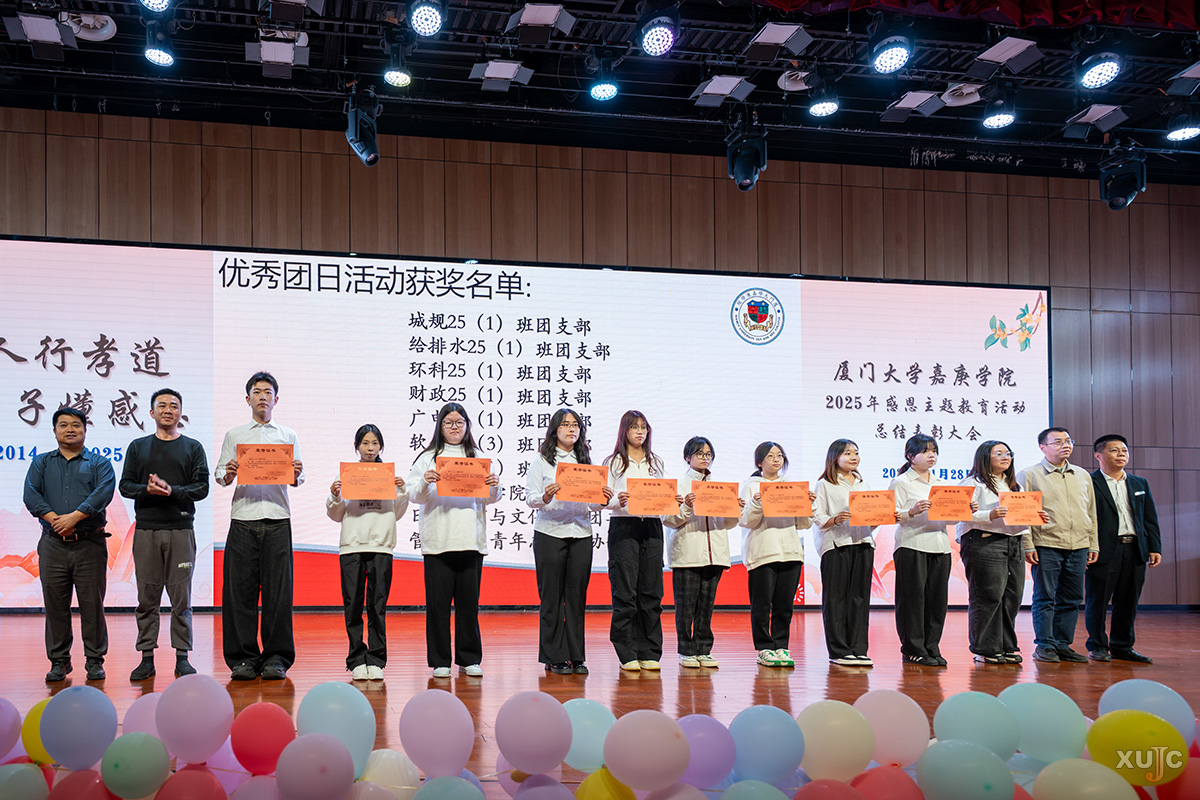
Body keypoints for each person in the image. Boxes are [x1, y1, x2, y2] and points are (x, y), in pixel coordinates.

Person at [215, 372, 304, 680]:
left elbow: (298, 478)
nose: (263, 396)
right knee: (240, 593)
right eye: (257, 391)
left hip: (277, 519)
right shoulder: (235, 435)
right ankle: (242, 659)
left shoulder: (287, 435)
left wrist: (295, 472)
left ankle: (276, 658)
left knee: (279, 594)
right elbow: (221, 475)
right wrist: (229, 472)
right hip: (243, 519)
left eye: (268, 392)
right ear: (248, 399)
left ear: (276, 399)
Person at [119, 388, 210, 681]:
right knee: (147, 598)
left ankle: (182, 657)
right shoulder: (138, 447)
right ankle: (146, 658)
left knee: (181, 598)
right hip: (146, 530)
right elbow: (125, 486)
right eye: (162, 405)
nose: (168, 410)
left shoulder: (193, 447)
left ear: (181, 413)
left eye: (174, 406)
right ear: (151, 412)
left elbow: (202, 487)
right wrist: (147, 490)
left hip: (181, 530)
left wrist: (174, 491)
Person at [408, 404, 501, 679]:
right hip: (438, 541)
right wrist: (425, 481)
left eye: (459, 422)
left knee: (468, 606)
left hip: (470, 539)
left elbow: (490, 498)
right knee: (437, 606)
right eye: (448, 423)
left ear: (467, 425)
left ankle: (469, 658)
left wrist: (494, 484)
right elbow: (413, 495)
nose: (454, 427)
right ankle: (440, 661)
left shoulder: (477, 457)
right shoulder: (428, 458)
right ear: (440, 426)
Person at [23, 407, 116, 682]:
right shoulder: (41, 463)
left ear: (85, 430)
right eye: (63, 425)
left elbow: (103, 493)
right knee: (55, 605)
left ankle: (94, 660)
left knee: (92, 605)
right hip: (53, 544)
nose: (70, 429)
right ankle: (59, 661)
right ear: (54, 431)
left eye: (76, 425)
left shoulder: (99, 463)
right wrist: (55, 520)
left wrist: (74, 517)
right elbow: (31, 495)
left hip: (89, 544)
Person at [526, 408, 613, 675]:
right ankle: (554, 656)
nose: (571, 429)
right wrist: (545, 497)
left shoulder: (585, 460)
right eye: (565, 424)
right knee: (552, 597)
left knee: (576, 597)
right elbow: (530, 498)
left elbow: (592, 504)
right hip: (550, 533)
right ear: (555, 430)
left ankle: (576, 656)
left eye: (575, 425)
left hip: (581, 533)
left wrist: (603, 500)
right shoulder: (542, 460)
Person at [327, 424, 408, 680]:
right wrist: (335, 495)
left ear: (381, 446)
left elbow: (397, 513)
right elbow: (336, 515)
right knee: (352, 605)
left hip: (381, 546)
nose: (370, 448)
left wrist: (401, 491)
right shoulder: (347, 476)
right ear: (356, 447)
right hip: (352, 546)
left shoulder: (389, 476)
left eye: (374, 443)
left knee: (377, 606)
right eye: (365, 443)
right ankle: (355, 659)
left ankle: (376, 659)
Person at [1017, 427, 1098, 664]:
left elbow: (1090, 512)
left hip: (1079, 545)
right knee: (1045, 597)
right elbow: (1023, 514)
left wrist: (1093, 544)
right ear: (1042, 447)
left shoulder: (1082, 475)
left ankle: (1063, 644)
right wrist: (1028, 545)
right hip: (1046, 543)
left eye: (1068, 441)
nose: (1065, 445)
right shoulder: (1029, 475)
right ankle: (1045, 645)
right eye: (1058, 442)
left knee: (1072, 598)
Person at [891, 434, 970, 667]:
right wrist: (912, 511)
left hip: (940, 546)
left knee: (937, 601)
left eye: (934, 451)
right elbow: (891, 515)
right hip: (912, 545)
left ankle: (932, 646)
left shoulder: (939, 483)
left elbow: (951, 520)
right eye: (925, 451)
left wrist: (964, 509)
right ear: (910, 456)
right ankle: (913, 649)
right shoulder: (901, 482)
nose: (931, 455)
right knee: (912, 600)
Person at [664, 436, 742, 668]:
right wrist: (686, 505)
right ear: (687, 457)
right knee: (686, 607)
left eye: (708, 454)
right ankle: (686, 650)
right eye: (699, 454)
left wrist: (734, 509)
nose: (704, 458)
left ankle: (703, 648)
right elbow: (669, 519)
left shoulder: (719, 487)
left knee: (707, 605)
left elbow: (728, 524)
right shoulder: (679, 485)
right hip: (687, 552)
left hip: (714, 553)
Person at [1085, 434, 1162, 664]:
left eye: (1124, 450)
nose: (1121, 454)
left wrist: (1154, 547)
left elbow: (1149, 518)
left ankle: (1122, 646)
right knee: (1098, 601)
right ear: (1098, 455)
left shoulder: (1139, 483)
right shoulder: (1089, 482)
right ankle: (1097, 646)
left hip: (1135, 549)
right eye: (1114, 450)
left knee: (1128, 601)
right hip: (1103, 550)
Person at [604, 410, 669, 672]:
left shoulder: (656, 462)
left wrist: (671, 500)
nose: (640, 432)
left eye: (644, 427)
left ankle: (649, 651)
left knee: (651, 591)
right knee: (625, 591)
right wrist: (616, 500)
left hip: (652, 526)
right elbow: (602, 500)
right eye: (634, 427)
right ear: (625, 431)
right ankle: (627, 652)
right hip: (624, 525)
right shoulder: (614, 462)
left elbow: (662, 495)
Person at [738, 442, 813, 668]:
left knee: (784, 605)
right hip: (763, 552)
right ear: (759, 462)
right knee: (761, 604)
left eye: (780, 455)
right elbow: (745, 521)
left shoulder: (792, 487)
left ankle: (781, 645)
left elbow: (804, 524)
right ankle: (764, 648)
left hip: (790, 552)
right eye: (770, 456)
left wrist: (807, 505)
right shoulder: (751, 486)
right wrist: (756, 503)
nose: (776, 460)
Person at [958, 440, 1030, 665]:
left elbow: (1021, 516)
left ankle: (1006, 645)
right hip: (984, 541)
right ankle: (985, 648)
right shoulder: (973, 483)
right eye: (999, 453)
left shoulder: (1015, 486)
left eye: (1008, 453)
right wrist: (989, 514)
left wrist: (1035, 517)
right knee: (988, 595)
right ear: (984, 457)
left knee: (1012, 596)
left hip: (1013, 541)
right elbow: (959, 513)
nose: (1005, 457)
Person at [813, 439, 882, 667]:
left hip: (863, 543)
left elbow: (870, 518)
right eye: (847, 453)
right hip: (837, 544)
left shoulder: (863, 484)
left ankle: (858, 649)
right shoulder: (824, 484)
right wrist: (835, 519)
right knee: (836, 599)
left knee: (860, 598)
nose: (853, 457)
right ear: (834, 457)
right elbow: (818, 518)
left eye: (856, 453)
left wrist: (879, 518)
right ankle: (839, 651)